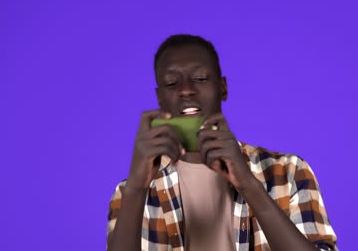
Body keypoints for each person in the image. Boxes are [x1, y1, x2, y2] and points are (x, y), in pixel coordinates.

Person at [107, 34, 338, 251]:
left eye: (200, 78)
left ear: (223, 88)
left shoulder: (289, 172)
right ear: (160, 98)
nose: (186, 89)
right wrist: (137, 188)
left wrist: (248, 184)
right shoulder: (130, 193)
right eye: (171, 83)